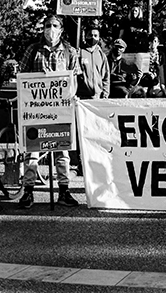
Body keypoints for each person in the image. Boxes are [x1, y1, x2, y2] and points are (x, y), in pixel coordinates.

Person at [18, 15, 81, 209]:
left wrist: (73, 96)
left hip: (61, 111)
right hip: (37, 112)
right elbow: (22, 78)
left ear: (61, 29)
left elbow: (74, 80)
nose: (50, 29)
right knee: (33, 152)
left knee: (63, 150)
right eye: (47, 26)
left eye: (55, 26)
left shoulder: (70, 52)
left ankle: (64, 190)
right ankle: (28, 191)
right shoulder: (33, 50)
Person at [77, 26, 109, 100]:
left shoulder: (102, 55)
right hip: (82, 96)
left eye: (95, 36)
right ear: (86, 37)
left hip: (98, 96)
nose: (92, 37)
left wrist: (105, 92)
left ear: (99, 38)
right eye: (90, 35)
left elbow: (106, 77)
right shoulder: (79, 53)